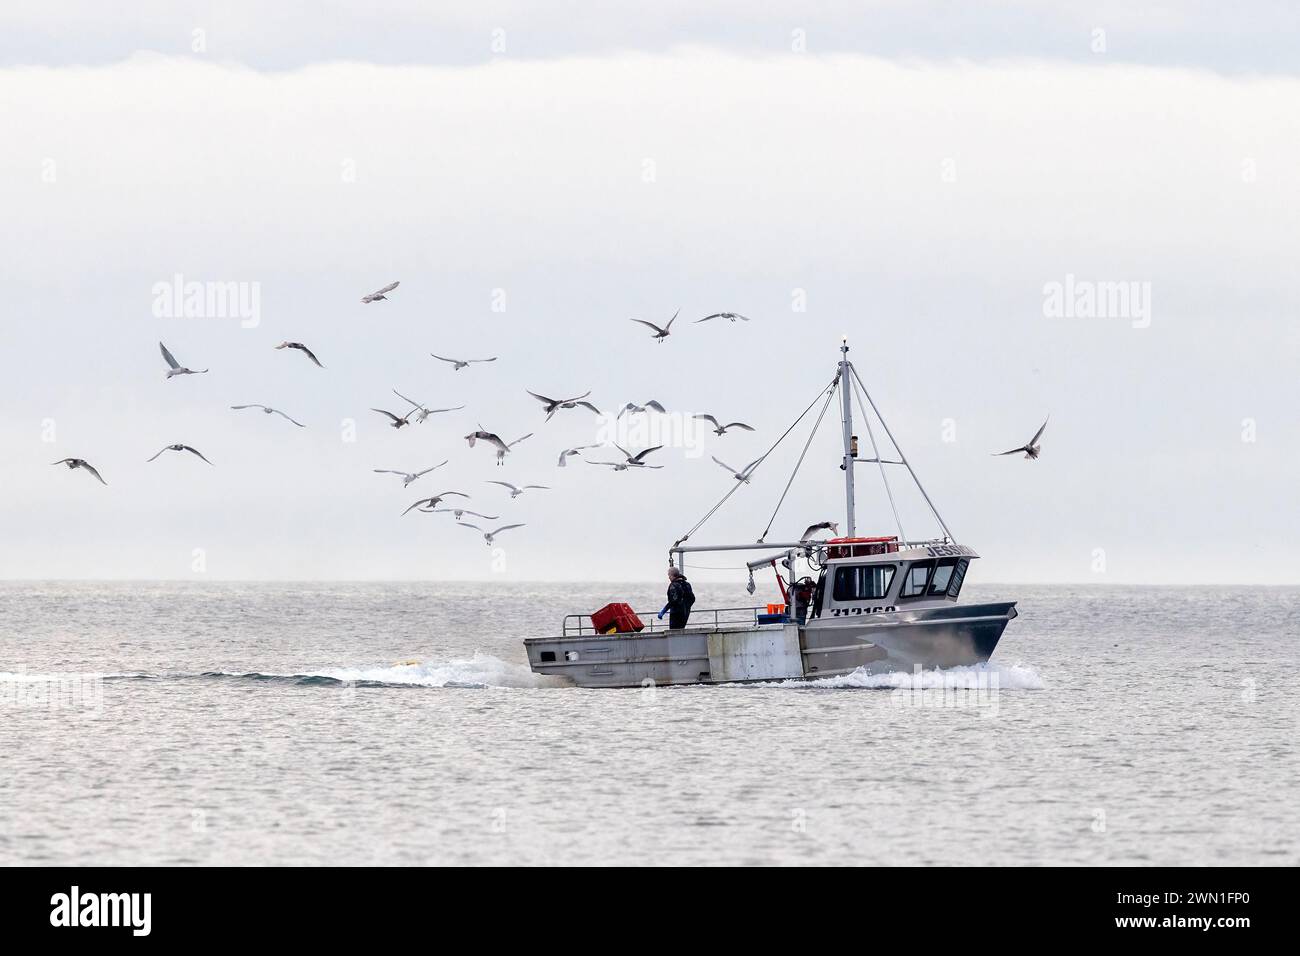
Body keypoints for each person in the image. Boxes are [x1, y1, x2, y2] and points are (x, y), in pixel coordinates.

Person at [658, 566, 695, 630]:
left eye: (669, 575)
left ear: (672, 575)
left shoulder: (674, 585)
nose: (668, 577)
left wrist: (663, 611)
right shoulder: (687, 584)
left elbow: (673, 601)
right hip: (685, 613)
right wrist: (686, 607)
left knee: (674, 632)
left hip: (676, 613)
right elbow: (692, 598)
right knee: (681, 630)